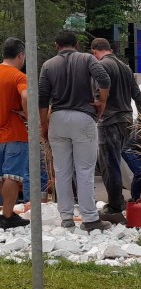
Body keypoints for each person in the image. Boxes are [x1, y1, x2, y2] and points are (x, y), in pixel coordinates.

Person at [39, 31, 112, 232]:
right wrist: (101, 101)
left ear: (56, 46)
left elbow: (43, 98)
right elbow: (104, 78)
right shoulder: (87, 59)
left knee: (62, 171)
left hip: (58, 119)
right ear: (77, 45)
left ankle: (66, 218)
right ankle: (89, 218)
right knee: (85, 170)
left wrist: (45, 126)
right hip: (83, 118)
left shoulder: (48, 65)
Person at [90, 38, 141, 223]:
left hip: (110, 120)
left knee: (108, 164)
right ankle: (118, 200)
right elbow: (138, 96)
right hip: (127, 121)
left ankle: (114, 207)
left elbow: (98, 94)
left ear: (95, 51)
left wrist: (96, 113)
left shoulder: (101, 66)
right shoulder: (125, 68)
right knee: (113, 162)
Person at [0, 37, 30, 229]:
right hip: (14, 134)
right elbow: (26, 95)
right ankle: (8, 215)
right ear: (20, 55)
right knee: (11, 176)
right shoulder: (18, 76)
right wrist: (28, 114)